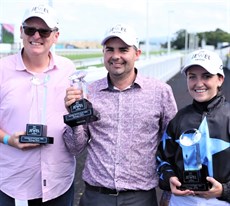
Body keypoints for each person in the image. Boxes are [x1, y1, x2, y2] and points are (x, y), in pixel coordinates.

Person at [63, 23, 177, 206]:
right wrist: (74, 118)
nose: (116, 56)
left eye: (123, 49)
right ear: (104, 53)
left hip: (140, 197)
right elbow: (75, 148)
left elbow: (173, 145)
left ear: (137, 54)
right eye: (110, 49)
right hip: (95, 196)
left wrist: (170, 192)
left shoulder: (160, 92)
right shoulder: (88, 92)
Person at [0, 3, 76, 206]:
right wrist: (8, 139)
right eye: (30, 29)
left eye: (44, 31)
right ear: (21, 32)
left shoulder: (68, 69)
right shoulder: (2, 70)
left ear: (56, 36)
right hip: (12, 182)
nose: (36, 36)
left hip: (58, 181)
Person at [157, 49, 230, 205]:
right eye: (192, 77)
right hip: (182, 201)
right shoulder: (178, 119)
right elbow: (162, 159)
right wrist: (170, 178)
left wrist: (225, 190)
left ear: (220, 79)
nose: (198, 83)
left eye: (207, 76)